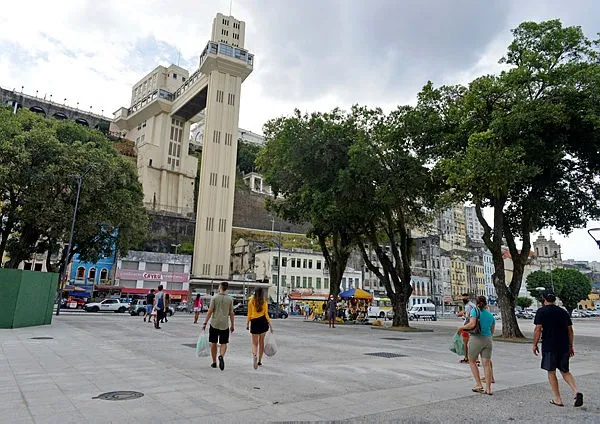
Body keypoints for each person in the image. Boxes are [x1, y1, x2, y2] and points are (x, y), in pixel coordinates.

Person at [533, 292, 583, 407]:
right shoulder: (563, 312)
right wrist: (571, 345)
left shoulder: (542, 311)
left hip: (550, 345)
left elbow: (538, 329)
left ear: (543, 299)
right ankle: (576, 391)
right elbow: (570, 330)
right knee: (565, 371)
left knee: (551, 371)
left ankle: (558, 399)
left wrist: (534, 344)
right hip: (564, 345)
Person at [457, 295, 495, 395]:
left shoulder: (475, 311)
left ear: (477, 303)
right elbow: (492, 330)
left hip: (476, 338)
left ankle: (479, 384)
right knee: (486, 364)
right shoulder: (490, 315)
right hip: (488, 340)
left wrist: (462, 328)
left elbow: (472, 324)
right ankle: (488, 388)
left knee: (472, 360)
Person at [202, 282, 234, 370]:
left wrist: (205, 322)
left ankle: (214, 362)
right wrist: (232, 325)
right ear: (226, 288)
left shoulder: (214, 298)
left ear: (220, 287)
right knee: (224, 343)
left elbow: (210, 311)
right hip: (225, 324)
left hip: (214, 323)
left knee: (214, 343)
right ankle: (221, 356)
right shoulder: (230, 299)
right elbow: (231, 313)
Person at [247, 287, 273, 369]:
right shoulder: (264, 302)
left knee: (254, 343)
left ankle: (255, 355)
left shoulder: (251, 302)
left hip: (254, 322)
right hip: (263, 322)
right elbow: (266, 314)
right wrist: (271, 325)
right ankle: (259, 360)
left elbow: (249, 314)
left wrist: (247, 323)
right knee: (261, 342)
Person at [457, 293, 476, 363]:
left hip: (467, 326)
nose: (463, 299)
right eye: (463, 298)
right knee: (471, 343)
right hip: (471, 326)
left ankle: (467, 358)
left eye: (464, 298)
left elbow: (467, 317)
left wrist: (462, 314)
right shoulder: (471, 305)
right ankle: (473, 358)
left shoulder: (468, 306)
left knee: (465, 343)